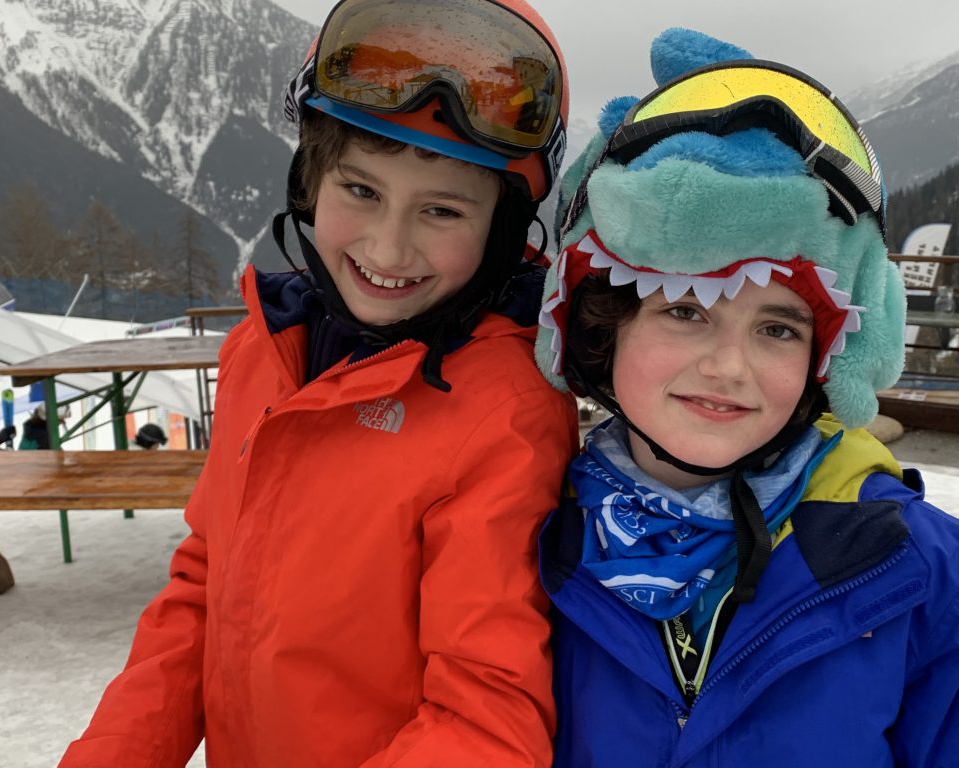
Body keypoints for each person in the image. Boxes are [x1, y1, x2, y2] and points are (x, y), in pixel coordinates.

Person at [60, 1, 576, 765]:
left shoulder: (503, 415)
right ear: (309, 181)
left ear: (502, 230)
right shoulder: (261, 352)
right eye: (360, 192)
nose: (388, 247)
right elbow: (205, 584)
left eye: (441, 210)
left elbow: (487, 712)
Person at [534, 28, 959, 766]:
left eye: (778, 328)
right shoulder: (517, 540)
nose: (730, 366)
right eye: (686, 309)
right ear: (605, 327)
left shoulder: (942, 586)